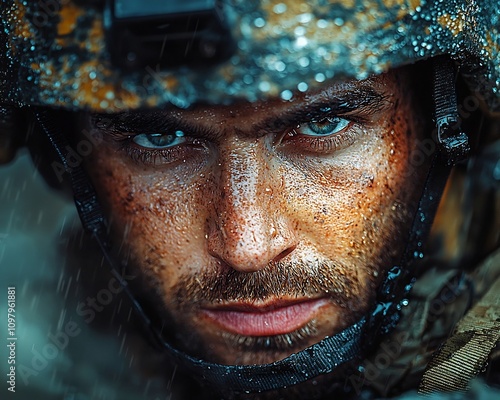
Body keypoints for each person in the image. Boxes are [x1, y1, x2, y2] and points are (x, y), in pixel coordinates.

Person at [0, 1, 499, 399]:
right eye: (161, 141)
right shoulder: (29, 344)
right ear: (62, 157)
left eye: (321, 125)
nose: (246, 245)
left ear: (449, 121)